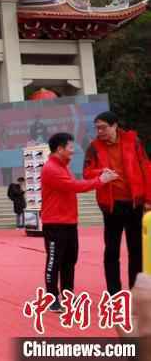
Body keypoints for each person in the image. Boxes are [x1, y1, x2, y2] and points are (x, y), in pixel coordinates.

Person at [41, 132, 117, 312]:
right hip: (55, 224)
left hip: (69, 222)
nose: (73, 150)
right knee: (54, 261)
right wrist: (101, 181)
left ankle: (67, 294)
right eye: (70, 147)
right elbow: (74, 186)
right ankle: (52, 298)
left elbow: (76, 182)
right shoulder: (51, 168)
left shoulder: (63, 167)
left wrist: (100, 173)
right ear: (59, 149)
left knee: (69, 260)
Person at [83, 111, 151, 295]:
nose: (100, 131)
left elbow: (146, 167)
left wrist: (148, 199)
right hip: (110, 205)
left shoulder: (133, 142)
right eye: (97, 128)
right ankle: (114, 291)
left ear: (114, 126)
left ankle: (136, 288)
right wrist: (100, 172)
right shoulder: (94, 147)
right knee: (111, 249)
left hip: (134, 203)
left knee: (136, 249)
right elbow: (86, 173)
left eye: (103, 127)